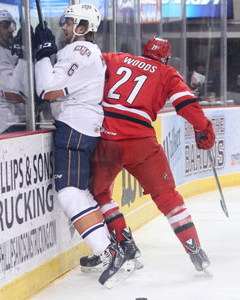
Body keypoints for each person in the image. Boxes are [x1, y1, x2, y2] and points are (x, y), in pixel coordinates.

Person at [80, 36, 215, 274]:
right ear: (166, 57)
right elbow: (185, 103)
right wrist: (203, 129)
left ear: (143, 50)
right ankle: (194, 249)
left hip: (108, 138)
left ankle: (125, 242)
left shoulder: (116, 58)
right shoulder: (167, 72)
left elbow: (86, 65)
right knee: (167, 197)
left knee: (99, 193)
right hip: (141, 142)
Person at [34, 3, 134, 287]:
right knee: (81, 193)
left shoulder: (81, 51)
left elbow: (47, 89)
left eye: (68, 22)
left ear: (82, 27)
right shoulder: (85, 52)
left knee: (69, 194)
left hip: (75, 127)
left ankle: (109, 251)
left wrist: (42, 56)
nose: (63, 27)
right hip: (81, 126)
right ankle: (113, 248)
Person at [0, 7, 26, 136]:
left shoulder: (5, 51)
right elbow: (15, 91)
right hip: (3, 125)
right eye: (6, 26)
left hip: (10, 122)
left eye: (11, 25)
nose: (11, 30)